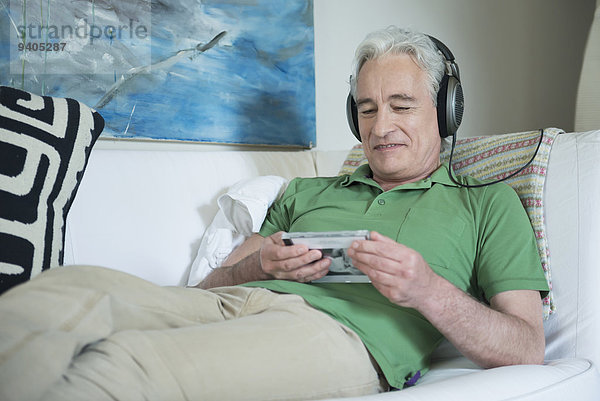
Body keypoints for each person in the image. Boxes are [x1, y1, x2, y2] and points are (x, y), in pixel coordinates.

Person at [0, 26, 548, 401]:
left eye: (402, 106)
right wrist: (260, 262)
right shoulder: (305, 190)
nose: (381, 128)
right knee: (65, 293)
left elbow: (526, 345)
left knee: (124, 364)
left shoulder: (486, 203)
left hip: (342, 338)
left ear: (446, 109)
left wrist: (427, 290)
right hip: (231, 303)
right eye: (367, 109)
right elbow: (214, 284)